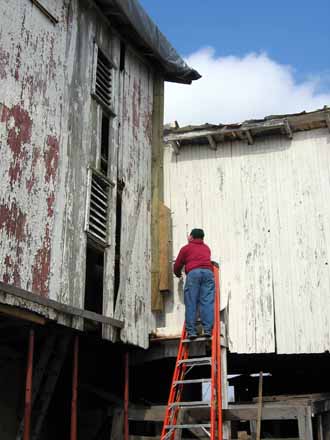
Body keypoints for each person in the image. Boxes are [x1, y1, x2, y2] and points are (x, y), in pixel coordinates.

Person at [173, 228, 215, 339]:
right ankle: (207, 330)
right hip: (208, 273)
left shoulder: (186, 248)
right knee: (207, 302)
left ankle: (191, 331)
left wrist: (178, 274)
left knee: (191, 302)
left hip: (194, 274)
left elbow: (177, 265)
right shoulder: (206, 248)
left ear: (191, 237)